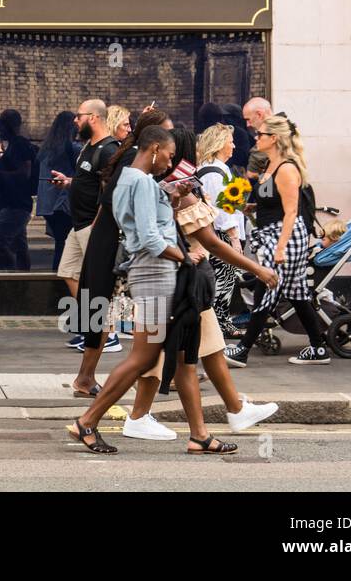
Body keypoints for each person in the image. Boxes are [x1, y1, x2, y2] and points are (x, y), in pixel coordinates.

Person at [67, 126, 236, 455]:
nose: (169, 163)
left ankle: (199, 435)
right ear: (155, 148)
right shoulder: (143, 181)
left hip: (152, 276)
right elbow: (148, 239)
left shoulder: (127, 179)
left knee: (184, 356)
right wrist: (185, 256)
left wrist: (170, 201)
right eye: (169, 156)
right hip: (155, 277)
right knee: (143, 357)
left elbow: (144, 225)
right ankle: (87, 420)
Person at [122, 185, 280, 440]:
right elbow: (211, 243)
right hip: (175, 284)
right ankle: (123, 418)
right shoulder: (179, 192)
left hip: (186, 284)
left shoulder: (170, 188)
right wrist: (257, 269)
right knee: (159, 356)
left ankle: (232, 411)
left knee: (209, 346)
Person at [69, 107, 172, 396]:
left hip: (111, 237)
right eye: (166, 136)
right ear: (153, 143)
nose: (170, 148)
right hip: (115, 241)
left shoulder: (135, 160)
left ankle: (88, 377)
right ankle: (87, 377)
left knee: (106, 311)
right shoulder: (133, 160)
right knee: (104, 310)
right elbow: (114, 199)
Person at [223, 115, 330, 368]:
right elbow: (270, 204)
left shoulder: (287, 169)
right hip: (272, 234)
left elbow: (291, 212)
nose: (256, 138)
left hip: (285, 237)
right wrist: (247, 207)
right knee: (297, 294)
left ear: (274, 139)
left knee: (266, 290)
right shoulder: (269, 166)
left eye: (260, 135)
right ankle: (318, 348)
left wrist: (281, 248)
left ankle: (243, 349)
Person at [51, 100, 118, 348]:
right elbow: (88, 182)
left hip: (92, 225)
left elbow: (110, 193)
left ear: (94, 118)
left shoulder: (110, 150)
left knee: (97, 281)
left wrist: (99, 226)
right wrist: (69, 182)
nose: (75, 121)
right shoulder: (87, 148)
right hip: (77, 224)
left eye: (79, 116)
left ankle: (107, 333)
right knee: (68, 272)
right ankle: (90, 324)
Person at [195, 123, 244, 337]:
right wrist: (234, 238)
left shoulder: (216, 169)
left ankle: (220, 323)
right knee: (223, 280)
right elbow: (222, 208)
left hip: (220, 232)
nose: (233, 146)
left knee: (224, 279)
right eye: (230, 141)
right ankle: (219, 325)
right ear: (218, 144)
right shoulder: (214, 173)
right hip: (221, 234)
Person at [0, 109, 36, 271]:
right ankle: (24, 281)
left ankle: (12, 277)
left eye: (1, 124)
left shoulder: (20, 145)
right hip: (13, 204)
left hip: (16, 205)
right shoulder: (13, 146)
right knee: (20, 247)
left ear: (8, 125)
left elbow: (25, 173)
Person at [35, 111, 76, 272]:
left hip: (48, 203)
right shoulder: (70, 148)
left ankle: (56, 276)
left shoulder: (46, 149)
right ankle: (60, 280)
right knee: (66, 245)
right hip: (62, 203)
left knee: (61, 243)